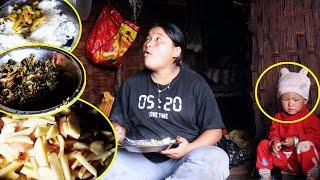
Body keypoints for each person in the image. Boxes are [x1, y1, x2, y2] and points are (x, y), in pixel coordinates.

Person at [103, 22, 229, 180]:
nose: (148, 43)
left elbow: (215, 131)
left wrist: (188, 148)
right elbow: (118, 123)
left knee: (216, 158)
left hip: (187, 158)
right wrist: (118, 130)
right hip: (140, 161)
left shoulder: (195, 84)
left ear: (175, 51)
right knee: (107, 163)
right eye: (148, 39)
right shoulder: (132, 83)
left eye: (157, 39)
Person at [256, 67, 320, 180]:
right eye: (285, 99)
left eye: (295, 100)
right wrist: (275, 142)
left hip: (304, 159)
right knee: (264, 144)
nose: (290, 104)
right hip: (285, 160)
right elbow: (273, 134)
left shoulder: (311, 118)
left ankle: (312, 175)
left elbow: (316, 139)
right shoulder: (277, 117)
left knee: (305, 145)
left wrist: (296, 141)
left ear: (305, 100)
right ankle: (265, 175)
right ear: (280, 99)